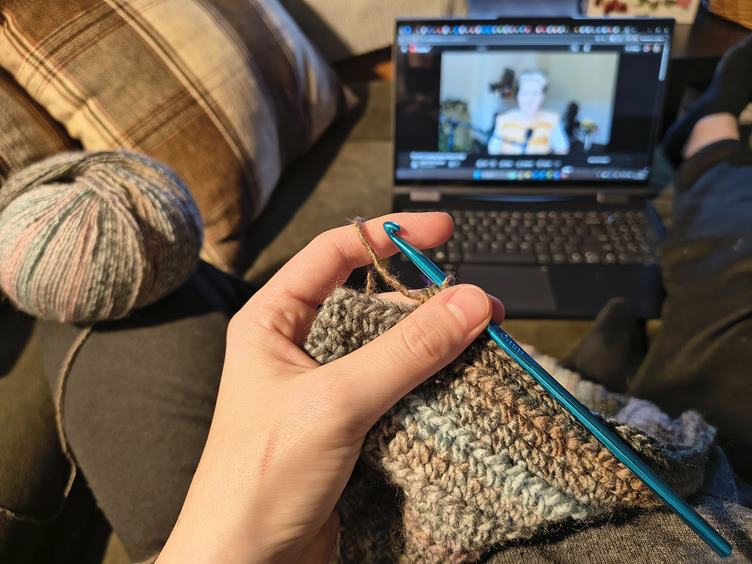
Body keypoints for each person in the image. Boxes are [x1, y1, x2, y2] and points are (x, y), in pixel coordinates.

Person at [45, 36, 751, 563]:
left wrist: (214, 546)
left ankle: (704, 154)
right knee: (728, 277)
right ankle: (712, 136)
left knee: (105, 328)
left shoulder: (548, 127)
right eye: (530, 93)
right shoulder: (507, 125)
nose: (536, 100)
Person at [487, 70, 570, 155]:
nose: (529, 100)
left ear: (542, 97)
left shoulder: (552, 120)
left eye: (535, 94)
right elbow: (493, 152)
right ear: (518, 96)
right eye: (525, 94)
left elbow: (562, 151)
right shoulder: (503, 120)